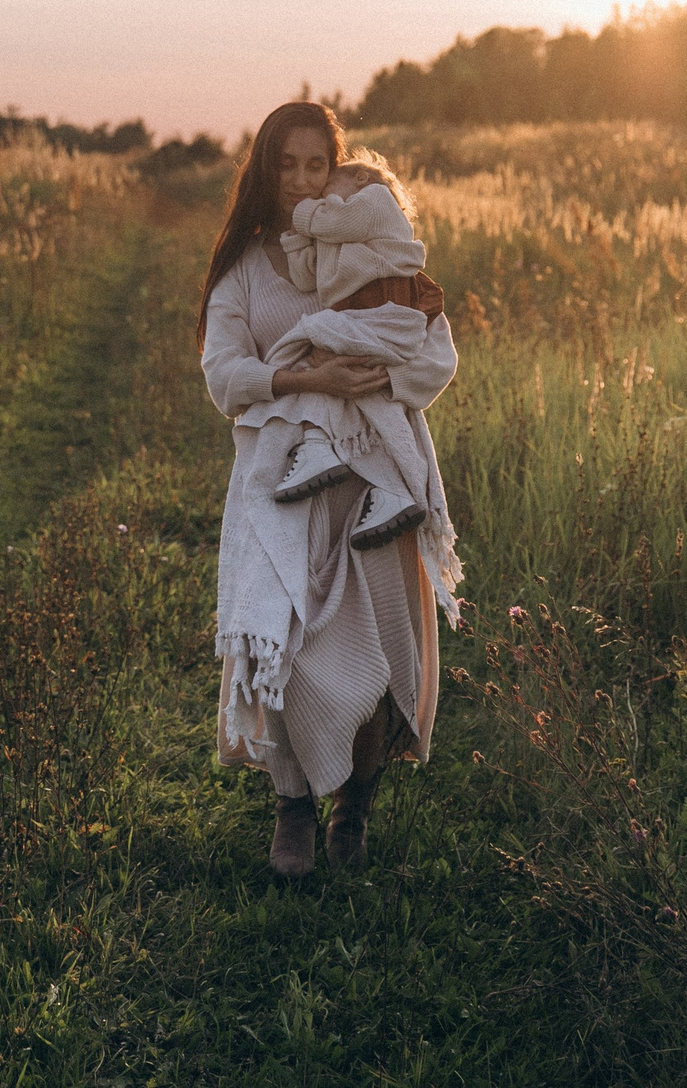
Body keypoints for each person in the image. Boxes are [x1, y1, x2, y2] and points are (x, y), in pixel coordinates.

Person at [198, 103, 464, 878]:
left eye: (316, 164)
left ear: (336, 170)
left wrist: (372, 380)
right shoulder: (244, 268)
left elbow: (431, 350)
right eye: (286, 164)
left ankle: (355, 805)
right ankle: (293, 805)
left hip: (372, 479)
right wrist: (309, 378)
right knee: (290, 635)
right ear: (264, 170)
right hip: (281, 479)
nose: (301, 180)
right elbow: (224, 373)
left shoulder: (367, 249)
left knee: (375, 641)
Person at [241, 153, 444, 551]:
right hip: (359, 311)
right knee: (325, 370)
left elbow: (339, 221)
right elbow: (307, 277)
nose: (320, 196)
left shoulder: (375, 202)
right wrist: (297, 240)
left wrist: (302, 214)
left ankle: (323, 449)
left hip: (383, 304)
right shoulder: (333, 228)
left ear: (361, 178)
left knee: (305, 348)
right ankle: (386, 486)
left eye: (329, 186)